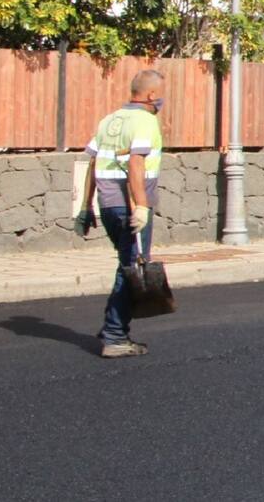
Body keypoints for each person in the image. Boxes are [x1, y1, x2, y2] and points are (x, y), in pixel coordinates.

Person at [77, 69, 165, 359]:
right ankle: (115, 335)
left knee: (125, 263)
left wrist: (85, 206)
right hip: (130, 206)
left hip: (107, 204)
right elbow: (136, 164)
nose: (162, 99)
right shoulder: (145, 121)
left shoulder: (110, 119)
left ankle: (112, 327)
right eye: (161, 93)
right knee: (133, 268)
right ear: (151, 95)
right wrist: (141, 206)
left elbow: (92, 164)